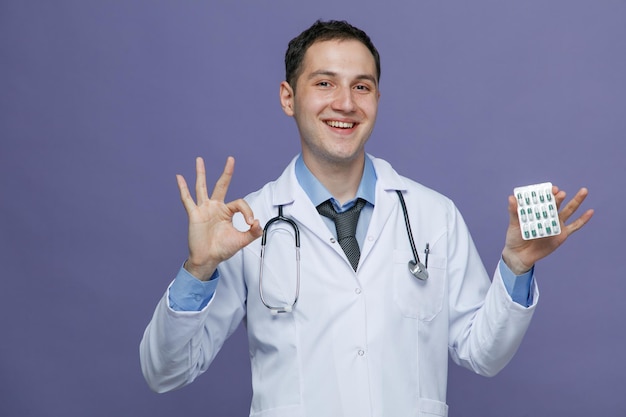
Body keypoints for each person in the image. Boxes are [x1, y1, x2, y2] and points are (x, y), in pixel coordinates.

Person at [140, 20, 593, 416]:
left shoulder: (433, 215)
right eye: (324, 83)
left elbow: (483, 354)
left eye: (362, 86)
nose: (345, 103)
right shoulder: (247, 226)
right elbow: (165, 373)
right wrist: (198, 270)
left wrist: (516, 267)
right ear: (287, 97)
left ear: (377, 97)